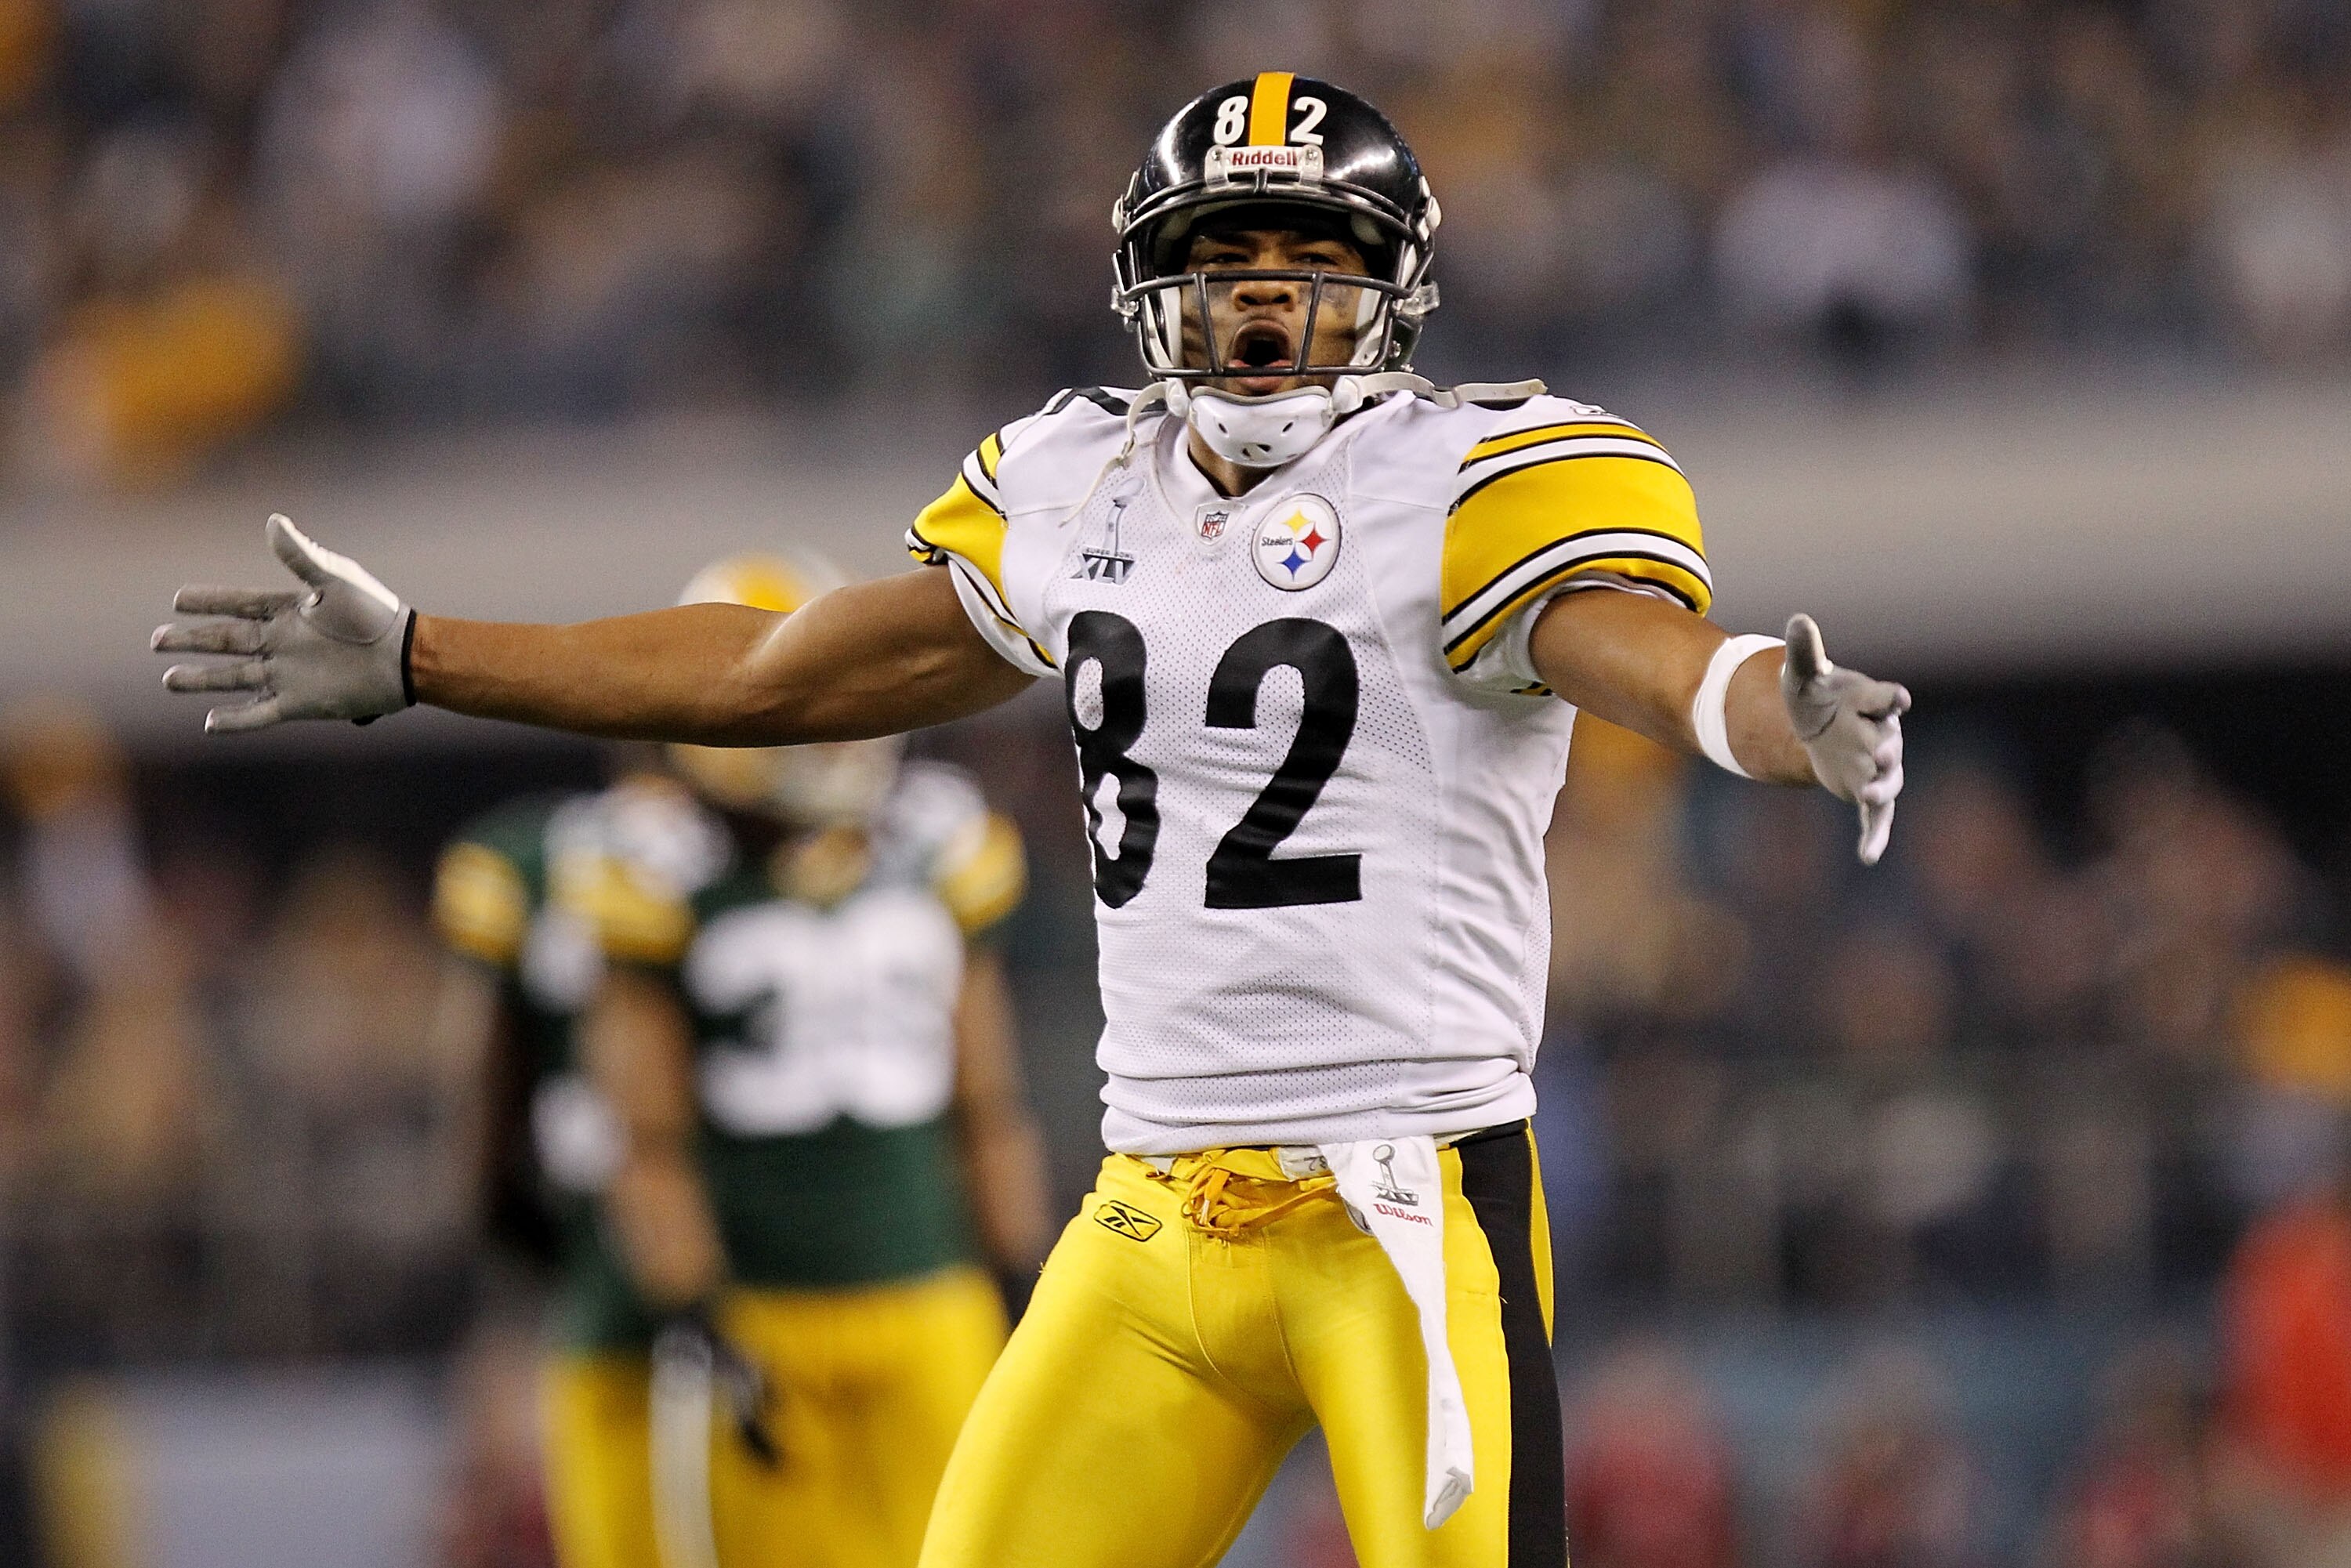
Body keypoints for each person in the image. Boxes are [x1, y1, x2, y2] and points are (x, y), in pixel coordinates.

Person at [155, 74, 1908, 1568]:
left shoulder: (1462, 481)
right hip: (1147, 1218)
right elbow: (770, 671)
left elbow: (1653, 657)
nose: (1267, 309)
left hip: (1404, 1207)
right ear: (1156, 290)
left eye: (1314, 268)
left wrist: (1774, 711)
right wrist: (423, 651)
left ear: (1397, 295)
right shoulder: (1075, 487)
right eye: (1226, 268)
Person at [431, 554, 1049, 1568]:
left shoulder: (938, 842)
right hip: (718, 1297)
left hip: (923, 1287)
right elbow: (628, 1132)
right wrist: (685, 1296)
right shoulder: (623, 868)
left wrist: (1020, 1272)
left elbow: (990, 1099)